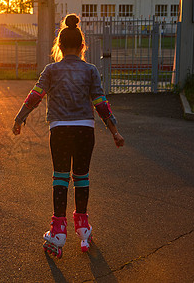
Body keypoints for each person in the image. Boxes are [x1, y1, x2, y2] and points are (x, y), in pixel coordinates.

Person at [12, 14, 124, 258]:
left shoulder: (51, 70)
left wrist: (19, 118)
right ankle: (83, 230)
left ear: (59, 46)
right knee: (82, 178)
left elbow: (35, 96)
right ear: (83, 45)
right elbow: (100, 103)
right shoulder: (90, 70)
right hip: (85, 129)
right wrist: (114, 130)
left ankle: (58, 232)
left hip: (60, 130)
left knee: (61, 178)